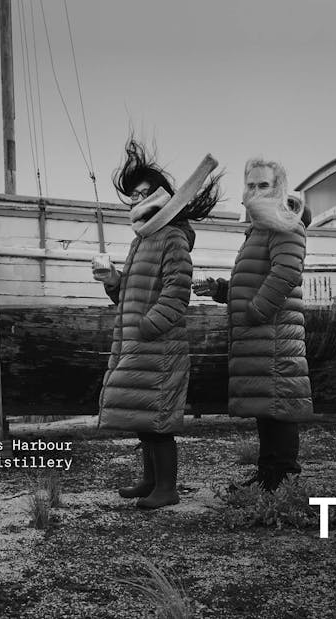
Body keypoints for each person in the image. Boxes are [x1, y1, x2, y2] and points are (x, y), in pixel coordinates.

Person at [93, 139, 221, 509]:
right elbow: (127, 298)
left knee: (158, 420)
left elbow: (176, 295)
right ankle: (150, 480)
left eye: (143, 194)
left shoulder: (173, 239)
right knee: (142, 416)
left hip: (158, 346)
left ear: (164, 195)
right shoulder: (140, 242)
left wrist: (146, 328)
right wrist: (111, 279)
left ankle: (167, 488)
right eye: (132, 196)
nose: (136, 201)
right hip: (136, 344)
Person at [193, 157, 314, 492]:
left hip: (272, 332)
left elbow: (287, 273)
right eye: (251, 185)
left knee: (279, 405)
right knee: (268, 406)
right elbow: (256, 280)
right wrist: (220, 289)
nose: (257, 191)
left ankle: (282, 478)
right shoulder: (260, 229)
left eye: (264, 185)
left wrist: (256, 313)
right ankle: (268, 475)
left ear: (278, 189)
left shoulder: (284, 224)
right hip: (261, 333)